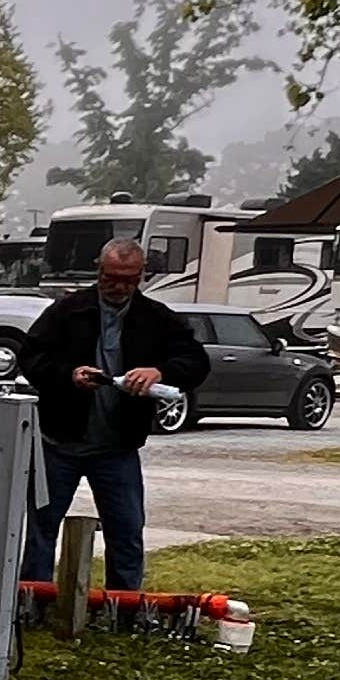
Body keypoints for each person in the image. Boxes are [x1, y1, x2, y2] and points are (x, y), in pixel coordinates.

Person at [17, 236, 209, 593]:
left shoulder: (156, 318)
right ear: (99, 271)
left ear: (142, 276)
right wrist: (69, 375)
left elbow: (197, 361)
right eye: (111, 278)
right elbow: (31, 358)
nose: (119, 286)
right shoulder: (67, 310)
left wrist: (160, 372)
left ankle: (125, 606)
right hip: (58, 443)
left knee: (127, 530)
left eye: (129, 279)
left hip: (117, 448)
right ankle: (33, 600)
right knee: (40, 526)